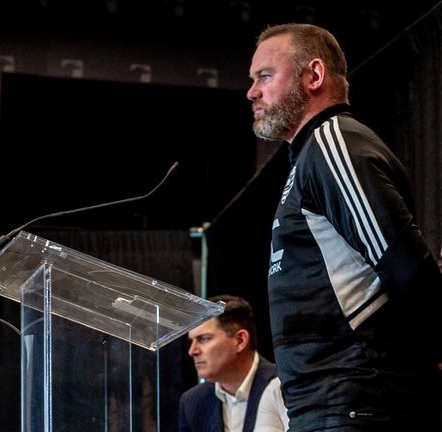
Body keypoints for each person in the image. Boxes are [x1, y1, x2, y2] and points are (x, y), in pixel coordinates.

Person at [247, 23, 442, 431]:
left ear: (313, 76)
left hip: (358, 406)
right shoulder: (307, 159)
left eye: (265, 76)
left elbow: (410, 273)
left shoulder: (332, 144)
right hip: (326, 407)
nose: (252, 91)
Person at [178, 295, 288, 432]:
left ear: (240, 340)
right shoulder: (192, 403)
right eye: (191, 341)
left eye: (203, 339)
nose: (192, 351)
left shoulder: (286, 386)